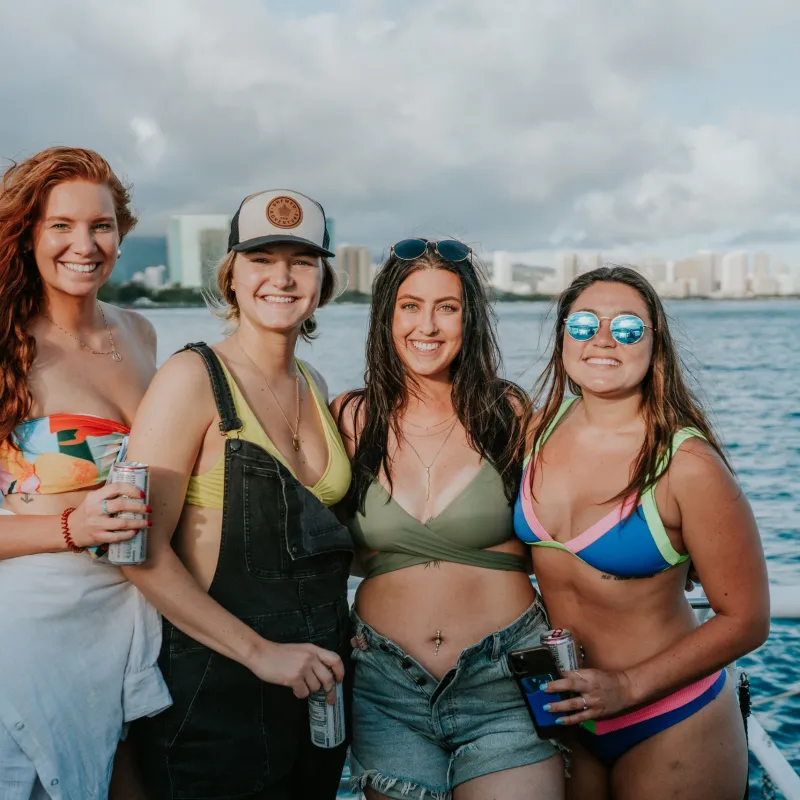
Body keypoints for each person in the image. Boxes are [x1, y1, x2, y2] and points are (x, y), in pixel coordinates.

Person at [122, 190, 354, 800]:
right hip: (217, 688)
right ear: (231, 275)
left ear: (323, 278)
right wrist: (259, 654)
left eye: (302, 261)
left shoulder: (315, 382)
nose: (282, 277)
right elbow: (136, 551)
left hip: (318, 682)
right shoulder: (190, 378)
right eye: (261, 259)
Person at [514, 265, 770, 799]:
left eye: (628, 328)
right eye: (584, 324)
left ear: (655, 345)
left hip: (672, 717)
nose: (603, 339)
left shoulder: (687, 464)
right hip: (567, 718)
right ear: (562, 336)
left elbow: (746, 621)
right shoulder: (534, 432)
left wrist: (626, 687)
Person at [333, 238, 565, 800]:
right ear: (386, 317)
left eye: (448, 307)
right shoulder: (350, 417)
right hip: (387, 689)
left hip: (504, 682)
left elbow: (566, 532)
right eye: (410, 305)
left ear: (471, 320)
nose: (427, 325)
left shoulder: (510, 414)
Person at [0, 146, 170, 799]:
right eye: (61, 226)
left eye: (100, 225)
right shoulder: (7, 343)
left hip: (133, 613)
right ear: (30, 235)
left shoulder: (140, 332)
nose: (84, 243)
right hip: (35, 625)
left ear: (121, 235)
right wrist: (73, 525)